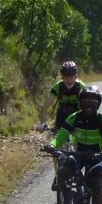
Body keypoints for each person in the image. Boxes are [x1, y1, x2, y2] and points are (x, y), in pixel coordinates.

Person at [37, 61, 87, 191]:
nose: (69, 80)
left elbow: (86, 108)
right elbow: (45, 107)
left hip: (76, 118)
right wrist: (42, 123)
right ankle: (57, 175)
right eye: (66, 77)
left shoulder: (81, 87)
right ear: (62, 76)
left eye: (72, 76)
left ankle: (76, 172)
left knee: (78, 147)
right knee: (56, 148)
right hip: (61, 117)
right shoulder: (58, 87)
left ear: (76, 75)